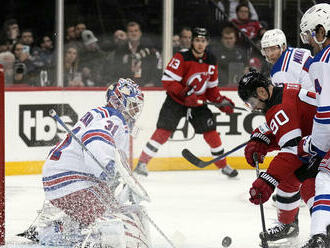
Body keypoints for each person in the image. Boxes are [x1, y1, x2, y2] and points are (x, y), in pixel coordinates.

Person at [18, 78, 150, 247]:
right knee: (109, 220)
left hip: (67, 175)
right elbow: (94, 136)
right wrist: (106, 166)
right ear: (119, 102)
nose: (135, 110)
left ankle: (54, 230)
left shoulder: (103, 114)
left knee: (110, 210)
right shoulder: (114, 119)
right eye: (132, 105)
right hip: (70, 179)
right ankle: (64, 236)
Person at [134, 27, 238, 178]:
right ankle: (142, 163)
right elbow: (168, 81)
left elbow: (211, 90)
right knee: (163, 132)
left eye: (203, 41)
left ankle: (223, 166)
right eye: (197, 40)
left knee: (212, 133)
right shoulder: (181, 56)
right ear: (192, 41)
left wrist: (221, 101)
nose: (200, 44)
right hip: (175, 102)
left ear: (207, 42)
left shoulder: (211, 60)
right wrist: (186, 93)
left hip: (197, 104)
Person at [237, 70, 318, 247]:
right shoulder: (280, 95)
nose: (254, 107)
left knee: (311, 185)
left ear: (262, 92)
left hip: (322, 145)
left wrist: (267, 180)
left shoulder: (280, 107)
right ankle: (288, 225)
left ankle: (324, 232)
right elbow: (289, 131)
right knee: (288, 179)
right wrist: (263, 140)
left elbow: (292, 150)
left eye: (252, 102)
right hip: (316, 142)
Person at [297, 3, 330, 247]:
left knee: (324, 179)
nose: (310, 42)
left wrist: (313, 144)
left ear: (322, 31)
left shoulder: (322, 62)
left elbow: (326, 112)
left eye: (310, 35)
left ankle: (319, 237)